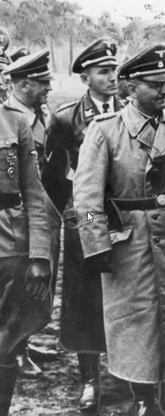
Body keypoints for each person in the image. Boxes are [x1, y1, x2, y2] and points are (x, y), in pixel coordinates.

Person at [72, 44, 165, 415]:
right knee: (136, 323)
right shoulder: (106, 131)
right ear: (130, 87)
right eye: (154, 85)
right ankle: (143, 400)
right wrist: (97, 242)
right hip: (130, 244)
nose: (163, 91)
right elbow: (87, 202)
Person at [41, 39, 124, 412]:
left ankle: (127, 369)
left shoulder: (129, 110)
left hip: (124, 216)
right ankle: (90, 378)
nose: (112, 78)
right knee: (85, 299)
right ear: (85, 76)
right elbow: (54, 179)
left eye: (114, 71)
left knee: (126, 293)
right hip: (87, 216)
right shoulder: (65, 119)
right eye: (103, 72)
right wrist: (78, 216)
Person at [4, 50, 61, 379]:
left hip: (35, 220)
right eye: (43, 83)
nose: (49, 88)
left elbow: (42, 176)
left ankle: (22, 342)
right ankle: (16, 348)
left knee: (34, 293)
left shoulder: (34, 116)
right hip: (14, 223)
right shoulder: (14, 116)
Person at [0, 87, 52, 415]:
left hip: (10, 245)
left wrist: (40, 254)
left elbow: (35, 192)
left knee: (8, 338)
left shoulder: (15, 122)